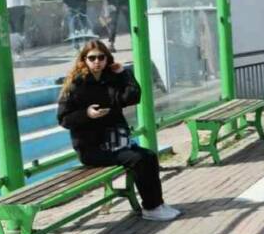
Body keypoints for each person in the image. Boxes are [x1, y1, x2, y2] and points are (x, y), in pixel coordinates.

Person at [56, 40, 180, 221]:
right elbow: (64, 119)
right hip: (92, 149)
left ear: (107, 59)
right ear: (84, 60)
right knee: (137, 159)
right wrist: (87, 114)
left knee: (150, 156)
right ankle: (151, 208)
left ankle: (157, 204)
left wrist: (125, 73)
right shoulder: (76, 85)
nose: (97, 61)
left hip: (116, 142)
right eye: (92, 58)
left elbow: (133, 97)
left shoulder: (110, 80)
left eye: (101, 57)